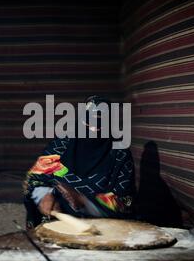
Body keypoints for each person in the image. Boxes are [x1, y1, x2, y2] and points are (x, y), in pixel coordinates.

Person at [23, 95, 135, 229]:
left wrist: (85, 201)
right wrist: (43, 195)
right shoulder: (61, 145)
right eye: (88, 125)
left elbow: (126, 201)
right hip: (57, 219)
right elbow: (34, 178)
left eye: (100, 129)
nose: (93, 131)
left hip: (101, 226)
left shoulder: (119, 153)